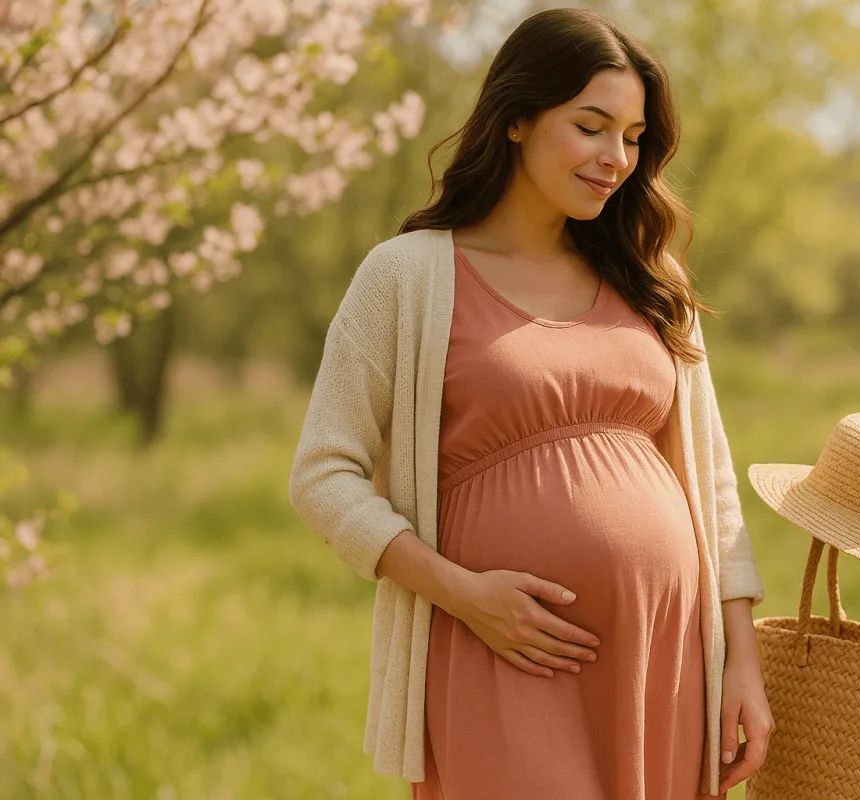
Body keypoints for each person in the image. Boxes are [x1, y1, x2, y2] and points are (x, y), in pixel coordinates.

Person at [288, 7, 772, 799]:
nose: (616, 158)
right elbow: (322, 475)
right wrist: (462, 593)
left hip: (662, 660)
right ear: (516, 119)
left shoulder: (651, 280)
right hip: (498, 650)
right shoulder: (407, 276)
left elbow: (713, 486)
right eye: (590, 127)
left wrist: (741, 660)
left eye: (633, 137)